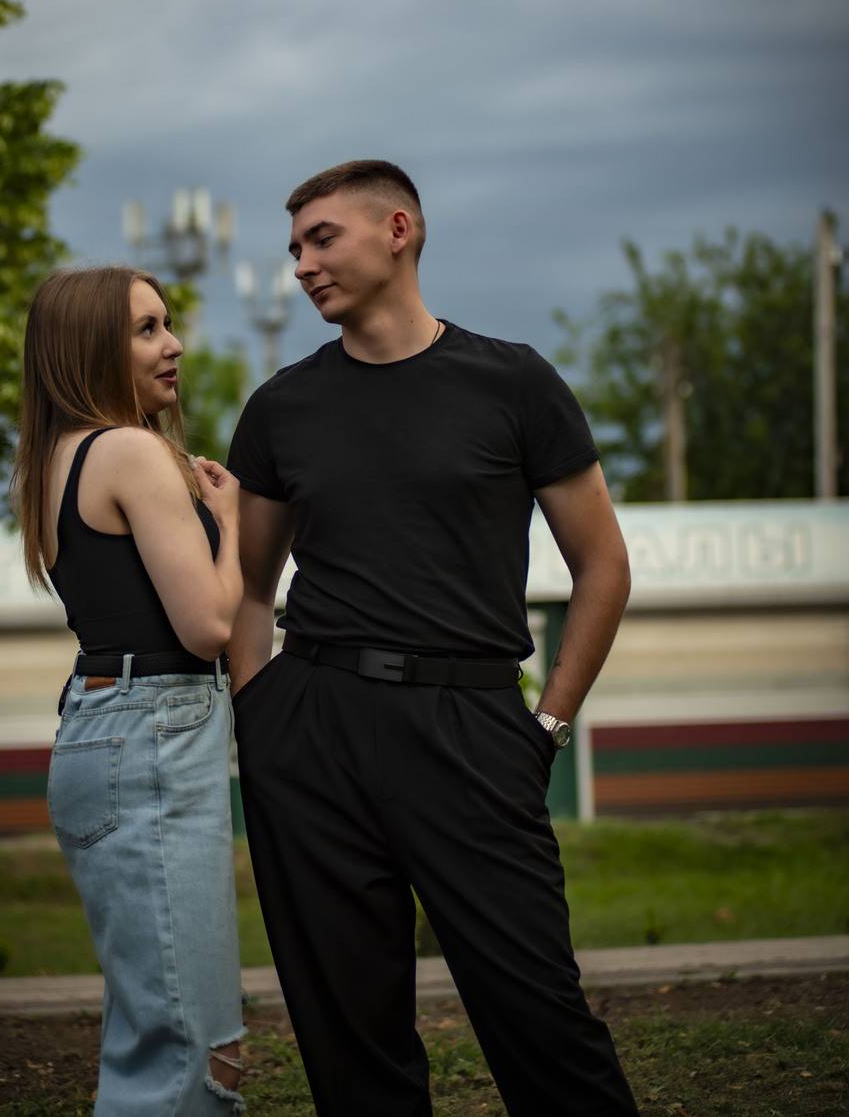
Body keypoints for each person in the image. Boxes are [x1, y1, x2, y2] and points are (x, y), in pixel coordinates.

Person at [226, 160, 639, 1117]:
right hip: (313, 729)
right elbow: (247, 583)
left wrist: (548, 725)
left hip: (472, 725)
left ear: (398, 230)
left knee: (539, 1016)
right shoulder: (281, 406)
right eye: (293, 248)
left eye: (322, 238)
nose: (301, 265)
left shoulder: (512, 382)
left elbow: (603, 566)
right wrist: (260, 714)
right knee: (350, 1039)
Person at [11, 265, 246, 1115]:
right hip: (153, 732)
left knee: (150, 1028)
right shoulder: (129, 451)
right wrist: (234, 528)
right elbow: (208, 626)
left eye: (167, 323)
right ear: (89, 349)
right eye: (146, 330)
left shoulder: (54, 461)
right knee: (195, 1047)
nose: (173, 344)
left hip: (102, 727)